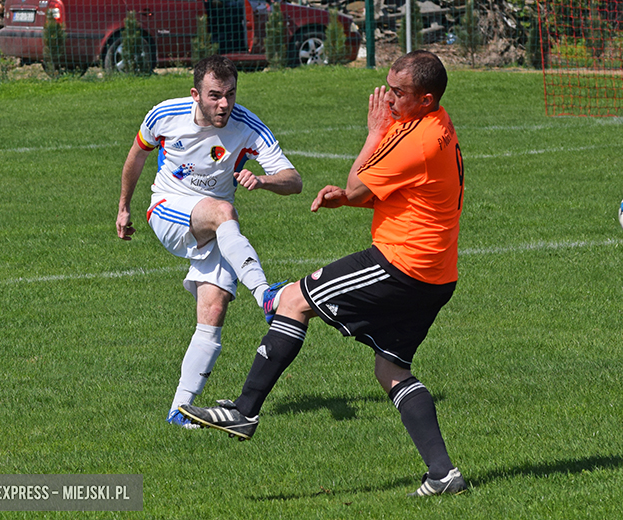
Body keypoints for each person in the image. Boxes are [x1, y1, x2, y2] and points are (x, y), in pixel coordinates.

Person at [180, 50, 467, 497]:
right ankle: (443, 474)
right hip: (436, 275)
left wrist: (373, 135)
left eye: (399, 93)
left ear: (426, 99)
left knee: (293, 299)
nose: (389, 99)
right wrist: (347, 199)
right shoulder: (435, 122)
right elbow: (387, 192)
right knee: (391, 369)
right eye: (388, 87)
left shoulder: (420, 139)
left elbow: (359, 180)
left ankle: (245, 410)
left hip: (401, 264)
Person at [116, 55, 302, 430]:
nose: (224, 105)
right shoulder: (165, 116)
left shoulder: (247, 126)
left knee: (213, 311)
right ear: (195, 94)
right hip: (167, 209)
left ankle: (179, 411)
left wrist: (264, 181)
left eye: (230, 95)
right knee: (222, 211)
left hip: (217, 225)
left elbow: (293, 180)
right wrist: (123, 208)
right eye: (215, 95)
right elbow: (137, 154)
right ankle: (266, 295)